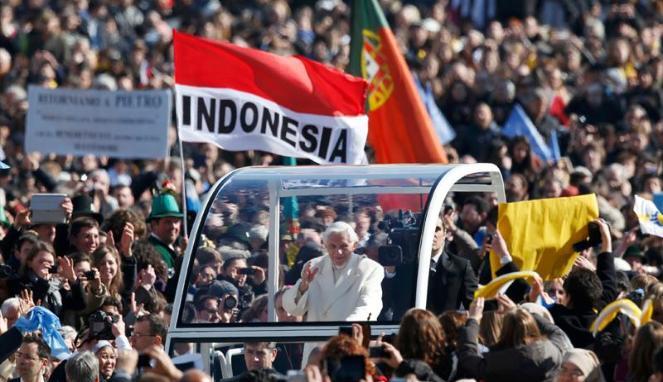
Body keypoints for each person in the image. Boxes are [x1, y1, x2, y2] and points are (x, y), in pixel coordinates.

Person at [282, 221, 383, 322]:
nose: (338, 252)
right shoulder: (313, 266)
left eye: (344, 246)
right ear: (325, 246)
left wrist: (345, 328)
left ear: (354, 245)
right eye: (332, 246)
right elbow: (293, 309)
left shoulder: (370, 268)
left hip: (349, 334)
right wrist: (303, 286)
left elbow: (369, 306)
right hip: (317, 335)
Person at [458, 296, 572, 381]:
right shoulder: (553, 349)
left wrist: (473, 320)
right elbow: (556, 332)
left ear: (506, 331)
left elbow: (471, 362)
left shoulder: (510, 361)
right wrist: (518, 311)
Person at [427, 216, 478, 314]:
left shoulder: (461, 267)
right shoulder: (408, 267)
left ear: (445, 233)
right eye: (428, 229)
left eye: (436, 229)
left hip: (446, 327)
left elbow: (474, 307)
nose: (432, 234)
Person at [147, 193, 183, 273]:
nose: (173, 226)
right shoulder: (152, 250)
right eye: (168, 222)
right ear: (154, 225)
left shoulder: (171, 248)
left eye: (176, 221)